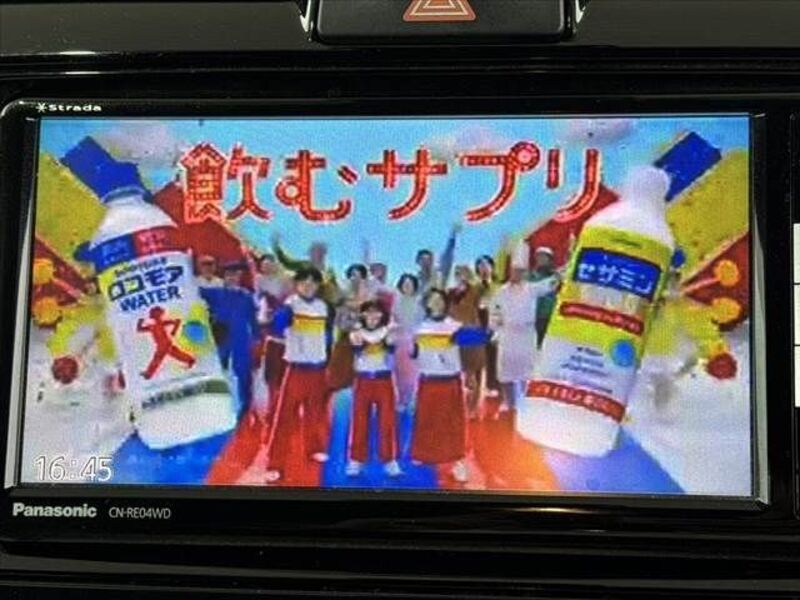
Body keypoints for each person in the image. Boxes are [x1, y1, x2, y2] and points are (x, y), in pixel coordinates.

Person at [411, 288, 489, 484]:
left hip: (449, 381)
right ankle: (423, 453)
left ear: (445, 303)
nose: (436, 303)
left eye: (440, 300)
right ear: (426, 304)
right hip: (428, 380)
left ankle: (457, 461)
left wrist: (493, 328)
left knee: (453, 424)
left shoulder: (454, 327)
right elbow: (414, 352)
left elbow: (479, 337)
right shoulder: (419, 328)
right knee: (426, 420)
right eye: (432, 300)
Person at [264, 267, 333, 483]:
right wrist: (273, 317)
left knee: (315, 413)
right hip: (296, 369)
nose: (308, 286)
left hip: (318, 369)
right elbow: (276, 328)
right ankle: (274, 463)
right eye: (304, 282)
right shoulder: (290, 306)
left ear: (318, 285)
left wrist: (327, 360)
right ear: (297, 285)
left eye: (313, 282)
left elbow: (327, 336)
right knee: (285, 417)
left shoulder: (323, 307)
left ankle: (314, 448)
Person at [491, 244, 559, 416]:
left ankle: (527, 402)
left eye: (521, 271)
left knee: (527, 370)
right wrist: (495, 330)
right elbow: (495, 312)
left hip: (527, 334)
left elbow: (552, 283)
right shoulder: (501, 291)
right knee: (505, 371)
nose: (517, 274)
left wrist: (566, 269)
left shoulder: (532, 288)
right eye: (515, 271)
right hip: (508, 334)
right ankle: (509, 402)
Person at [346, 300, 402, 478]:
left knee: (387, 421)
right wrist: (387, 330)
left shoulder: (390, 332)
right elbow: (365, 342)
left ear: (382, 315)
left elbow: (390, 345)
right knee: (359, 420)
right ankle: (356, 459)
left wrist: (389, 331)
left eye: (376, 312)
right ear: (362, 315)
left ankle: (389, 460)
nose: (372, 316)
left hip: (384, 380)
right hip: (363, 380)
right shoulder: (356, 333)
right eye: (368, 312)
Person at [199, 262, 260, 415]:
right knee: (217, 370)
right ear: (224, 277)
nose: (232, 278)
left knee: (243, 372)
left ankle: (246, 406)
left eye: (235, 275)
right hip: (221, 336)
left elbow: (253, 319)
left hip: (241, 337)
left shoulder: (246, 296)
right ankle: (217, 405)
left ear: (239, 277)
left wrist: (257, 337)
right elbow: (193, 290)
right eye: (228, 275)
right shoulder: (215, 293)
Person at [447, 265, 486, 419]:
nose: (460, 275)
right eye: (457, 273)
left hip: (473, 334)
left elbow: (484, 288)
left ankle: (473, 408)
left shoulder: (475, 290)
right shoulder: (450, 293)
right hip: (455, 334)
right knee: (459, 372)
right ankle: (460, 406)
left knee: (473, 372)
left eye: (463, 272)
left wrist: (476, 278)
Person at [271, 233, 340, 305]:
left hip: (320, 304)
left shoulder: (329, 271)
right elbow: (287, 262)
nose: (317, 254)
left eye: (320, 251)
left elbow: (335, 291)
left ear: (324, 253)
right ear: (310, 253)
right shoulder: (304, 265)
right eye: (314, 251)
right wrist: (276, 247)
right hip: (302, 301)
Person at [391, 273, 424, 414]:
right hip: (398, 340)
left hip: (413, 340)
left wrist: (417, 339)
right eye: (405, 284)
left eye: (410, 284)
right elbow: (393, 320)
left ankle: (413, 401)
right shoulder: (396, 302)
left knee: (413, 373)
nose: (407, 287)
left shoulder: (419, 303)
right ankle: (401, 400)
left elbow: (421, 322)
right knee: (399, 373)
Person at [475, 255, 501, 404]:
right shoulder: (474, 288)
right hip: (477, 327)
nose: (483, 268)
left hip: (494, 328)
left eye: (486, 265)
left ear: (492, 267)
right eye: (480, 265)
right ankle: (475, 390)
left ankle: (493, 389)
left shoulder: (499, 288)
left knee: (494, 359)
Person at [416, 224, 461, 293]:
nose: (426, 263)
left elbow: (448, 254)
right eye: (422, 260)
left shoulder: (440, 271)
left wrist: (453, 235)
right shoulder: (417, 281)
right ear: (418, 262)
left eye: (428, 259)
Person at [529, 246, 558, 347]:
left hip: (548, 316)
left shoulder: (556, 276)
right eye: (539, 257)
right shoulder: (530, 275)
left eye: (544, 257)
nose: (541, 259)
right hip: (533, 315)